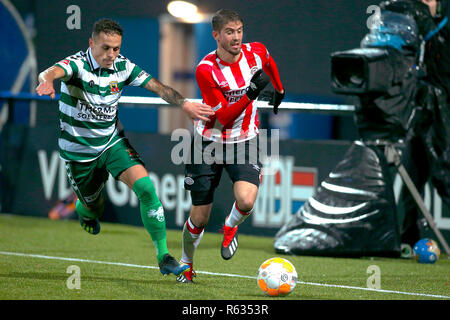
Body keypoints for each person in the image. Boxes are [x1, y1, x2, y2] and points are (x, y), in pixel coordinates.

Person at [35, 18, 214, 276]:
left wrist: (185, 104)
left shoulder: (122, 66)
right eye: (105, 48)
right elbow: (50, 72)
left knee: (146, 188)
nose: (111, 55)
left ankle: (163, 256)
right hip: (79, 153)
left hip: (111, 143)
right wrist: (47, 81)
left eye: (116, 48)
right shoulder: (77, 64)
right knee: (94, 206)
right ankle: (83, 210)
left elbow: (157, 87)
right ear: (91, 43)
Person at [177, 9, 285, 283]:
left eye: (239, 31)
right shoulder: (206, 69)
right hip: (209, 140)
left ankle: (229, 226)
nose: (236, 37)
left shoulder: (255, 52)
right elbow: (221, 119)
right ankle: (186, 263)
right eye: (229, 32)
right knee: (199, 219)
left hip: (245, 140)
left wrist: (280, 89)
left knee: (247, 200)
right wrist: (251, 93)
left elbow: (269, 63)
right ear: (216, 35)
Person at [398, 0, 449, 251]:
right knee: (411, 171)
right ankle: (408, 239)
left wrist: (428, 21)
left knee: (445, 173)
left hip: (446, 108)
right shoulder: (408, 14)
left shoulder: (443, 15)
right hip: (423, 105)